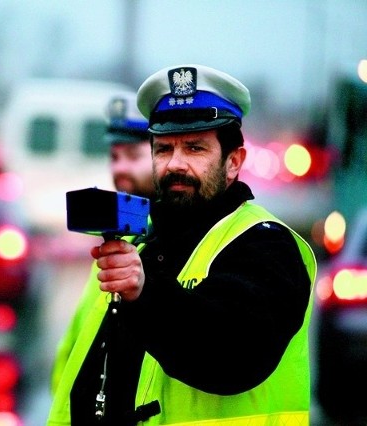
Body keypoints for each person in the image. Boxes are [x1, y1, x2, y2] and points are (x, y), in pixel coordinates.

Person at [47, 64, 317, 425]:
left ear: (233, 162)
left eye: (194, 148)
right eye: (163, 149)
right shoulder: (143, 242)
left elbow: (234, 356)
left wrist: (145, 295)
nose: (175, 164)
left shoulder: (266, 242)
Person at [50, 92, 153, 395]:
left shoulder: (165, 239)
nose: (120, 168)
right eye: (114, 157)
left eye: (133, 156)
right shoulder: (125, 235)